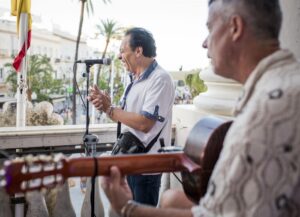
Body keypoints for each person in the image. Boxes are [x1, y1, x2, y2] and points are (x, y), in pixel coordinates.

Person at [99, 0, 300, 217]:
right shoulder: (279, 87)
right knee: (170, 198)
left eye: (210, 29)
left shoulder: (266, 110)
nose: (205, 43)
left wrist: (127, 208)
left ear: (235, 27)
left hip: (147, 169)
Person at [88, 27, 175, 206]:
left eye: (122, 50)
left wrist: (110, 109)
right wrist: (107, 106)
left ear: (138, 51)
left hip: (147, 167)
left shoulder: (160, 79)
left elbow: (144, 123)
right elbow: (124, 117)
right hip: (131, 161)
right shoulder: (134, 79)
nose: (119, 56)